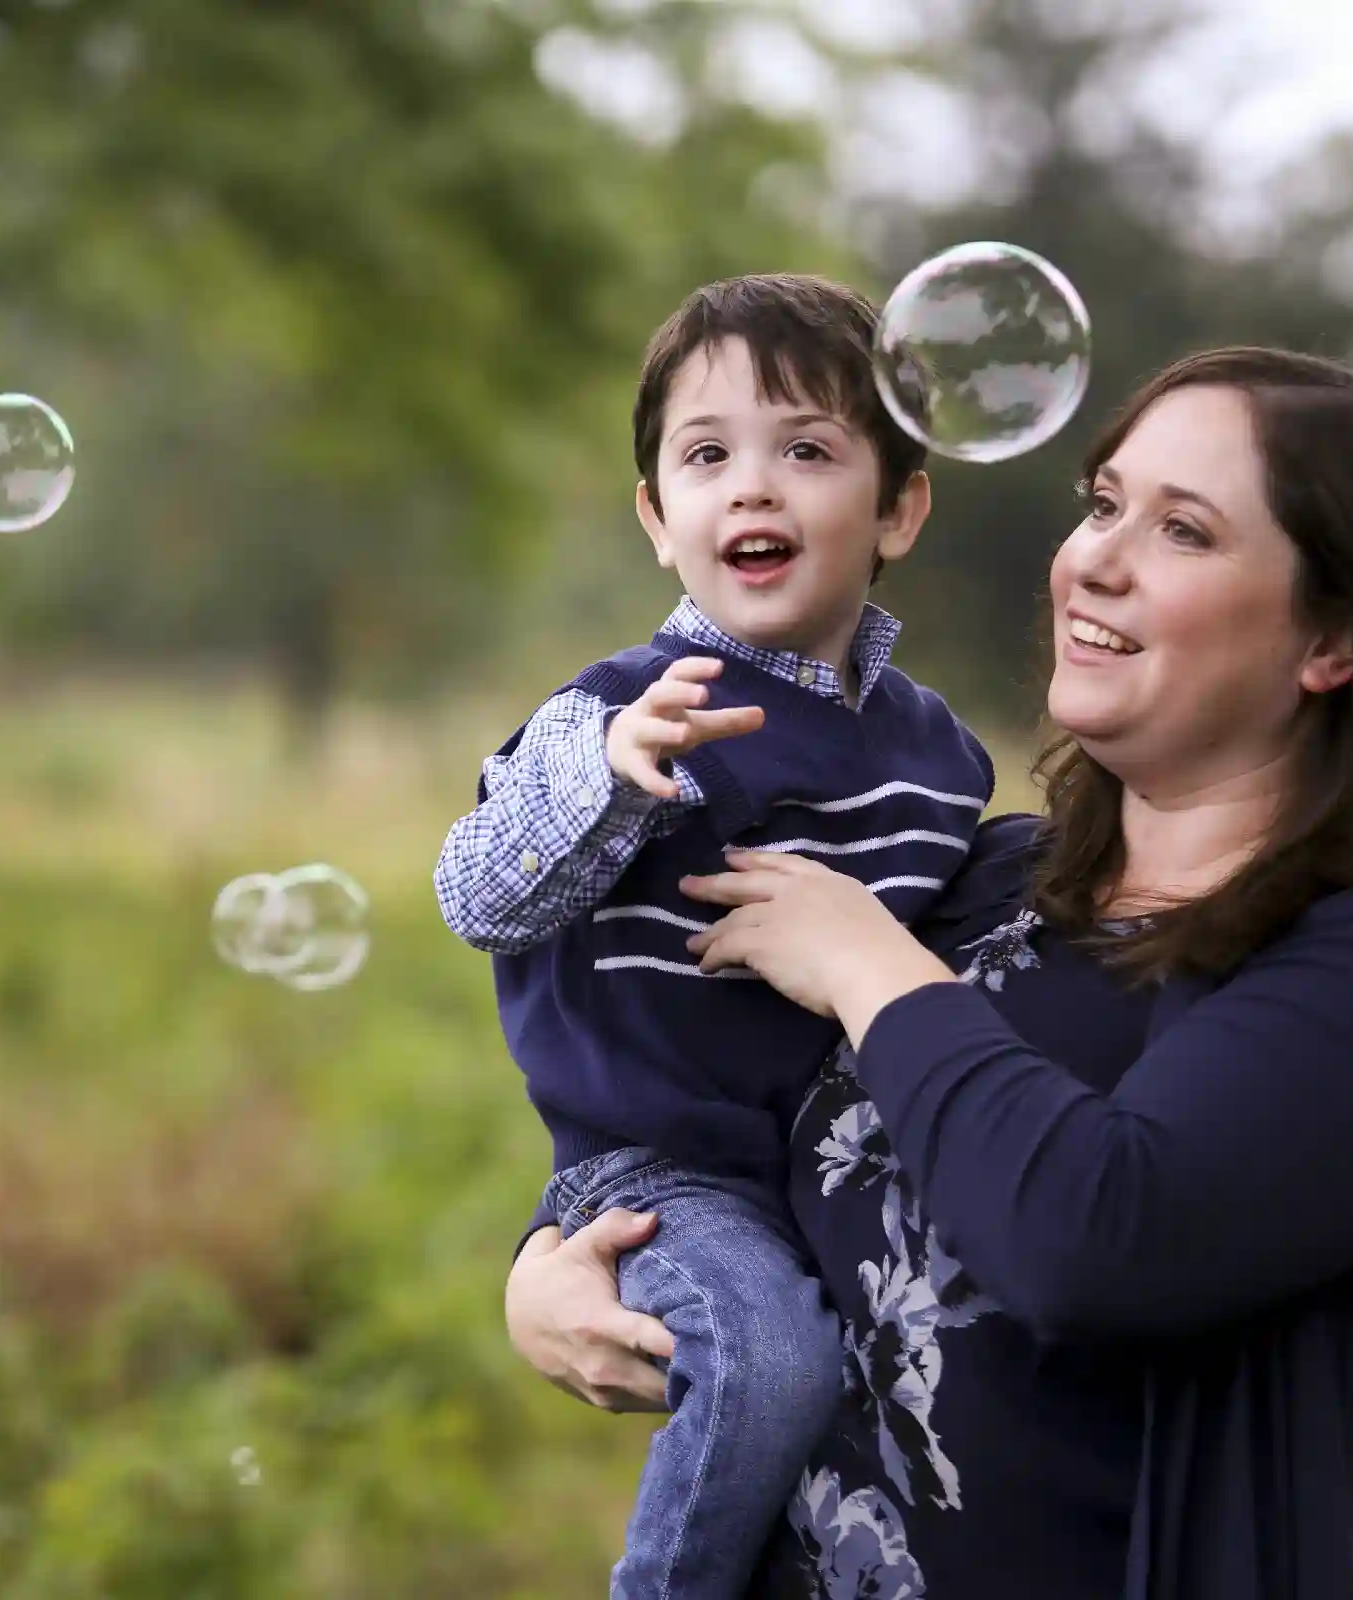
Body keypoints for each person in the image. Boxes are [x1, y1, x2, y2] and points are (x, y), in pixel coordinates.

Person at [504, 346, 1353, 1598]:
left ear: (1332, 637)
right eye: (1104, 501)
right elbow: (712, 1078)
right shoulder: (982, 882)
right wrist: (561, 1249)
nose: (1095, 560)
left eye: (1182, 530)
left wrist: (869, 966)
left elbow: (1100, 1236)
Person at [436, 273, 997, 1598]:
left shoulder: (940, 756)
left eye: (807, 450)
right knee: (770, 1357)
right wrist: (622, 781)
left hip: (841, 1170)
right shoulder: (622, 710)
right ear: (657, 517)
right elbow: (478, 897)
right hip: (660, 1169)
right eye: (708, 456)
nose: (753, 487)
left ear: (899, 507)